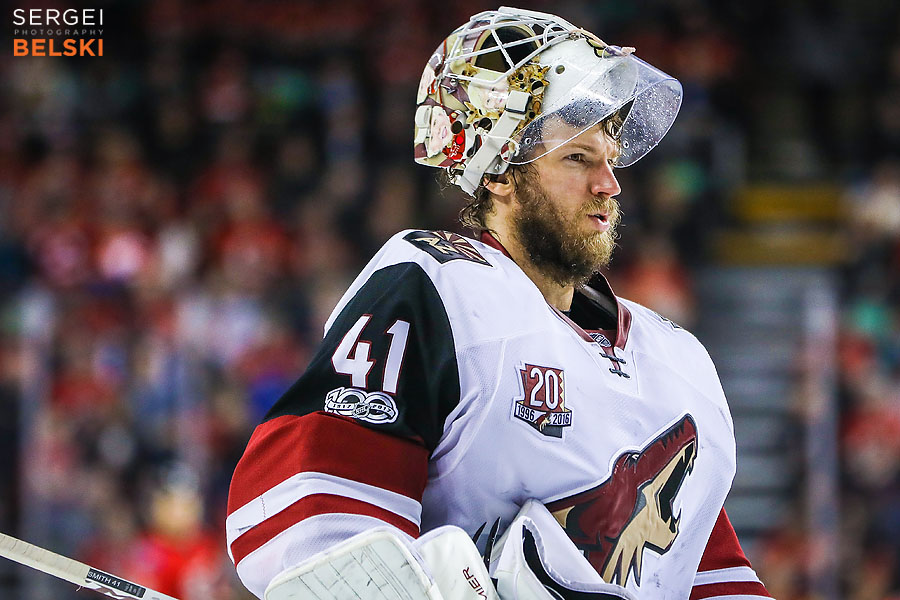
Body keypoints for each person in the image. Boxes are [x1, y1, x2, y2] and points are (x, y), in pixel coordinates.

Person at [226, 7, 773, 600]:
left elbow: (712, 579)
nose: (608, 184)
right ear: (500, 174)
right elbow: (308, 532)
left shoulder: (680, 363)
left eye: (609, 158)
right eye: (577, 158)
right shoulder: (437, 288)